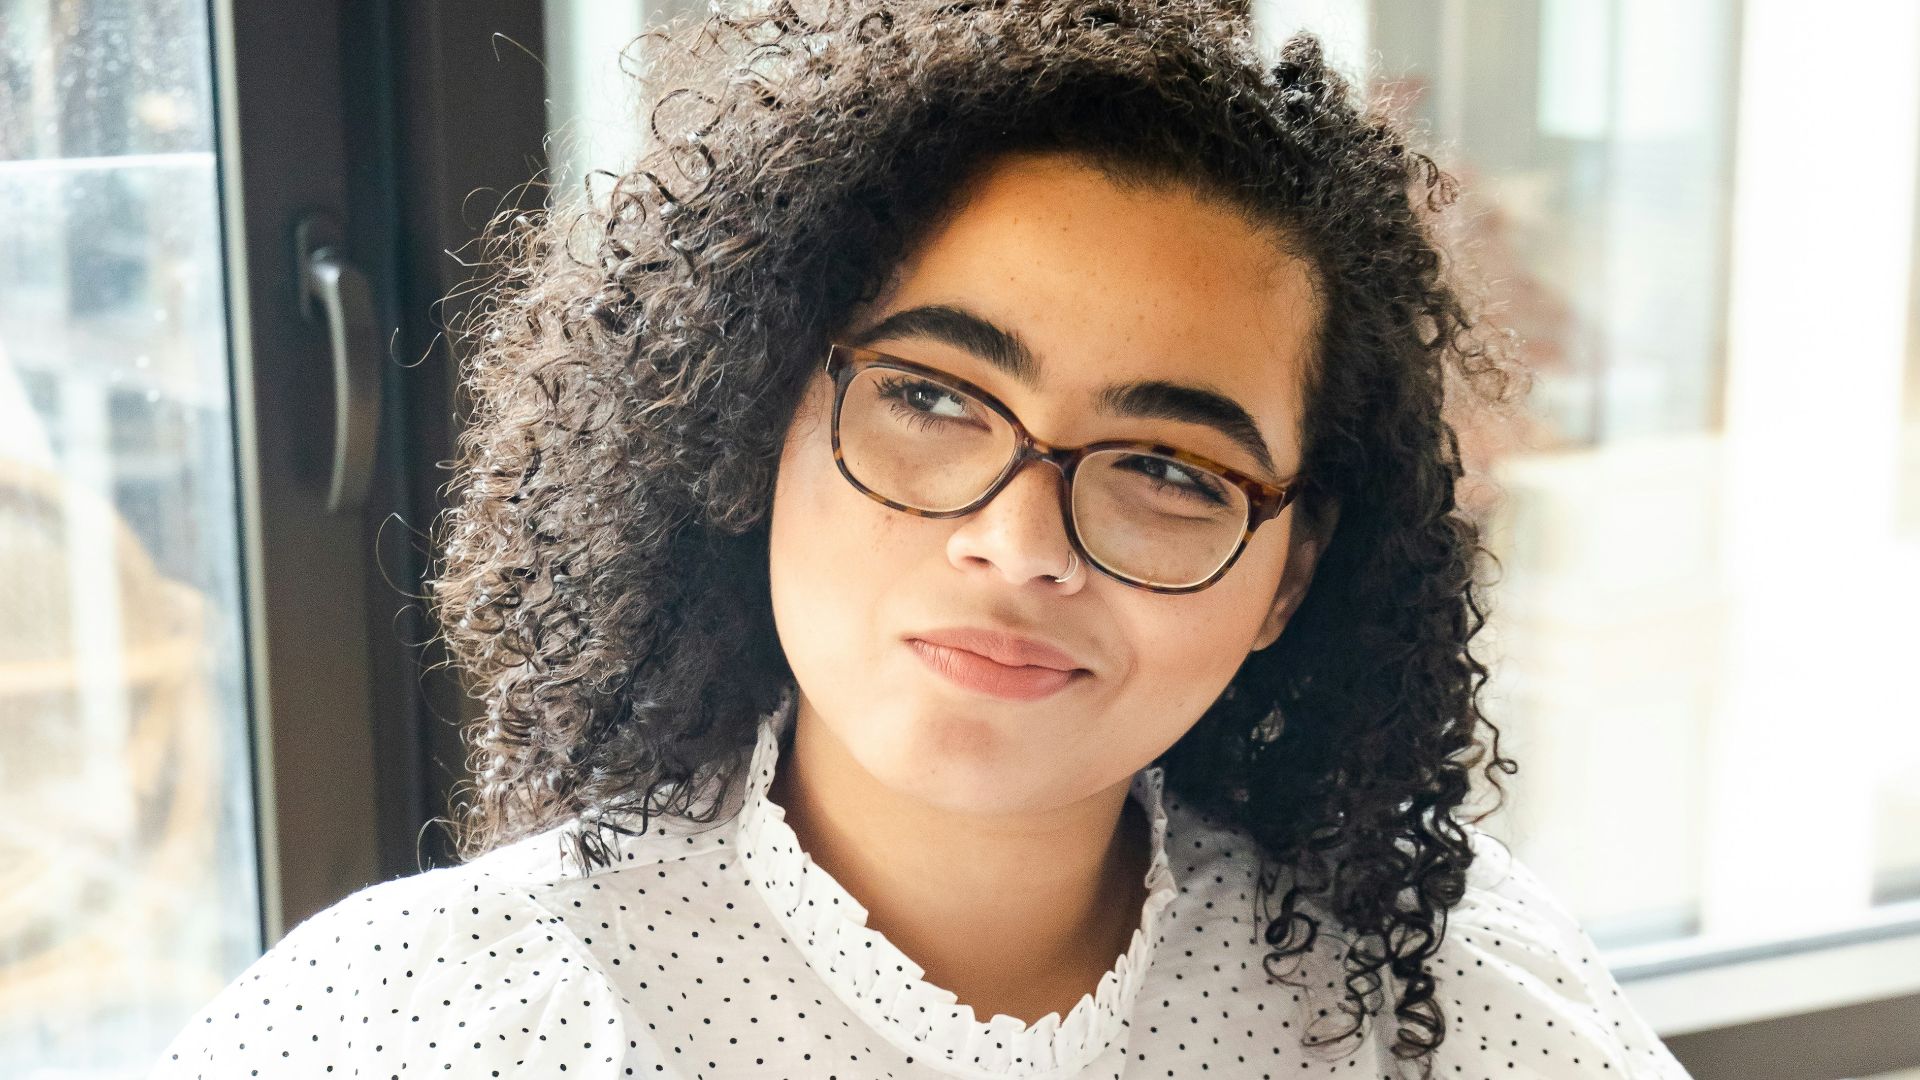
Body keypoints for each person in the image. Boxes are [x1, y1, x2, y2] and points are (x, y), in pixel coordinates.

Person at [152, 0, 1693, 1076]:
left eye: (1167, 466)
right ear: (753, 422)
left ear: (1289, 570)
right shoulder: (400, 1027)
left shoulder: (1447, 1001)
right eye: (932, 399)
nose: (1022, 545)